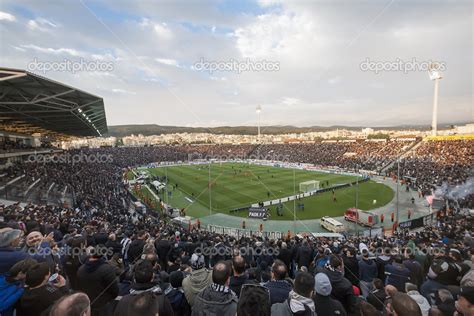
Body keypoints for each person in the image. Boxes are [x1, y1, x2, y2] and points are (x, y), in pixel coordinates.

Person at [76, 245, 119, 316]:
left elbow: (79, 287)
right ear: (103, 255)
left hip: (88, 304)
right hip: (103, 305)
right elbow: (115, 290)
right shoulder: (107, 269)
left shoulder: (80, 269)